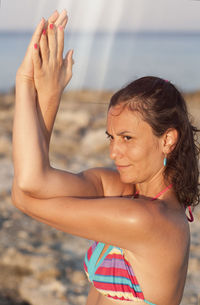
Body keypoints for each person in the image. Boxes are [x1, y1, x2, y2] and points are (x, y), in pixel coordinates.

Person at [11, 10, 199, 305]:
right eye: (111, 138)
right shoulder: (123, 191)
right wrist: (48, 97)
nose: (114, 151)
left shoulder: (148, 221)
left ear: (167, 139)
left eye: (127, 138)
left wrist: (24, 82)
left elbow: (25, 195)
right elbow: (33, 182)